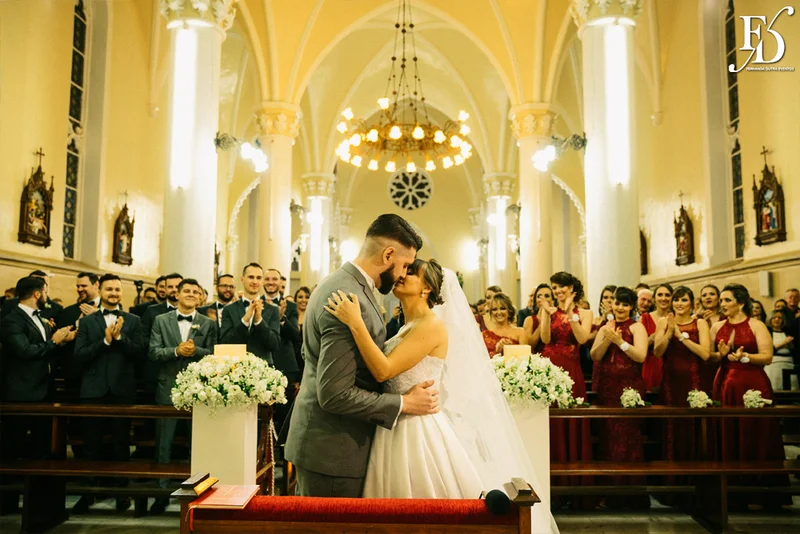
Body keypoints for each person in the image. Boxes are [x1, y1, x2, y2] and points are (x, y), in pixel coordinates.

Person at [325, 259, 558, 532]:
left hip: (417, 432)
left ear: (426, 289)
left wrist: (355, 323)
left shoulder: (431, 325)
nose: (402, 274)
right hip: (395, 424)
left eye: (412, 272)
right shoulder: (407, 326)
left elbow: (382, 370)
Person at [285, 214, 438, 499]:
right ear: (388, 254)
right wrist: (404, 402)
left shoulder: (340, 283)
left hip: (332, 442)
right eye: (404, 265)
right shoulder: (348, 295)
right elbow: (334, 394)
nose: (403, 274)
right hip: (335, 449)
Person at [71, 274, 145, 514]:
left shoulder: (133, 320)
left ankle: (121, 493)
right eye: (109, 289)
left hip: (122, 390)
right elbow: (79, 355)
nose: (114, 293)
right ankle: (89, 491)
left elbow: (140, 353)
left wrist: (120, 338)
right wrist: (104, 341)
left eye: (117, 289)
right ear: (99, 290)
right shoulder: (88, 321)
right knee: (91, 445)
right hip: (93, 390)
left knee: (121, 445)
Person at [710, 283, 788, 506]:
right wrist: (721, 355)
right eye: (722, 300)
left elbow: (767, 356)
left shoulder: (756, 325)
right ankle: (731, 491)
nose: (722, 304)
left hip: (751, 383)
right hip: (725, 382)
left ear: (741, 302)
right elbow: (711, 357)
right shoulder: (717, 327)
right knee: (728, 430)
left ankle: (761, 488)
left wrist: (745, 358)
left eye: (727, 300)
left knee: (755, 430)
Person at [148, 278, 217, 515]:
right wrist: (176, 350)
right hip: (167, 387)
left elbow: (213, 354)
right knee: (163, 445)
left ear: (200, 297)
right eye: (186, 290)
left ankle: (196, 492)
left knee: (196, 444)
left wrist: (195, 351)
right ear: (176, 294)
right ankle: (161, 492)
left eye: (195, 292)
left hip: (198, 390)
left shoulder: (208, 324)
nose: (190, 294)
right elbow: (153, 352)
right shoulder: (160, 320)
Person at [1, 276, 75, 461]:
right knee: (14, 443)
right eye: (45, 293)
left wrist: (63, 340)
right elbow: (25, 351)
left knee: (42, 443)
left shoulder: (39, 319)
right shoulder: (12, 321)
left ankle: (39, 486)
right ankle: (10, 485)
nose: (47, 297)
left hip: (44, 389)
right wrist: (54, 342)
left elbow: (46, 349)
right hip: (21, 392)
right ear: (37, 294)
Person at [590, 286, 649, 508]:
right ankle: (609, 492)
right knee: (608, 439)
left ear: (631, 306)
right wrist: (608, 337)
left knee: (627, 440)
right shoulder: (607, 327)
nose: (620, 308)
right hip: (607, 387)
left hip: (629, 388)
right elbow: (595, 355)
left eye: (625, 304)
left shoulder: (637, 327)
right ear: (611, 304)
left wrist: (619, 341)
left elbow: (641, 356)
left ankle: (631, 495)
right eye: (617, 303)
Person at [539, 271, 594, 505]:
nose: (558, 290)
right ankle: (550, 484)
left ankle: (575, 487)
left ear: (572, 288)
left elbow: (581, 340)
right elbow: (544, 338)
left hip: (572, 369)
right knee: (551, 422)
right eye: (555, 287)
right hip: (550, 367)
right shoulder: (550, 311)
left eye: (562, 287)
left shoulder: (586, 313)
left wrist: (571, 313)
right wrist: (544, 312)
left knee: (571, 420)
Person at [653, 286, 711, 483]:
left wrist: (681, 336)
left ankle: (696, 480)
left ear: (692, 303)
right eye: (676, 300)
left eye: (684, 300)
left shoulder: (700, 323)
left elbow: (705, 353)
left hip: (694, 379)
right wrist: (670, 332)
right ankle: (672, 480)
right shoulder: (664, 321)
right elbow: (657, 352)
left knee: (693, 425)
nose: (679, 304)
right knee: (672, 427)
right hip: (671, 380)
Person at [219, 263, 281, 364]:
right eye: (251, 277)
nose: (255, 281)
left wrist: (259, 321)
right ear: (242, 279)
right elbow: (225, 342)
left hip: (264, 369)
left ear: (262, 281)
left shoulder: (273, 310)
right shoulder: (229, 310)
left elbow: (275, 344)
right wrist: (244, 321)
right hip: (235, 367)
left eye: (259, 278)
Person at [640, 284, 673, 392]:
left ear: (672, 298)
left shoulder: (677, 317)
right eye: (660, 295)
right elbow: (641, 346)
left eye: (667, 295)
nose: (663, 298)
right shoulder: (644, 319)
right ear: (654, 299)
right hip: (651, 365)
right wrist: (657, 333)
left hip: (671, 364)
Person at [481, 293, 524, 357]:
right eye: (495, 309)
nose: (499, 312)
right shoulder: (484, 335)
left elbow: (525, 359)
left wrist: (510, 349)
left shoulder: (520, 333)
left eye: (502, 308)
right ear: (491, 313)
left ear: (509, 311)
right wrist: (497, 351)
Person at [764, 308, 795, 390]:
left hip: (788, 363)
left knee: (791, 388)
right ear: (770, 319)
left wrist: (790, 345)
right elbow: (769, 349)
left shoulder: (787, 332)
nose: (777, 319)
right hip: (773, 364)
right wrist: (783, 343)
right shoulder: (767, 332)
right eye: (774, 317)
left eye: (779, 318)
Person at [521, 284, 553, 354]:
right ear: (535, 300)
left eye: (547, 296)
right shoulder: (530, 320)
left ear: (553, 300)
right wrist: (541, 324)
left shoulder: (558, 318)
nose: (543, 299)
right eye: (539, 296)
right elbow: (529, 346)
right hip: (538, 359)